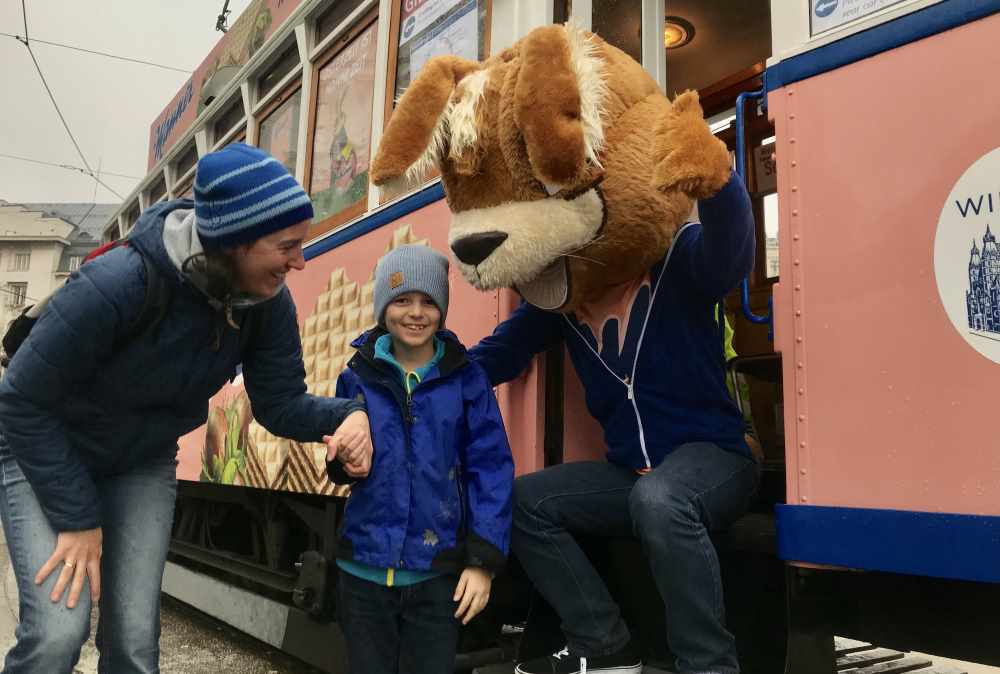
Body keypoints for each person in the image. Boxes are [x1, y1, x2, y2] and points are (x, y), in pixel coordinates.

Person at [0, 143, 373, 674]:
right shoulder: (120, 282)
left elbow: (280, 403)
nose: (300, 260)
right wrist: (78, 518)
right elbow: (20, 398)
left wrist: (348, 415)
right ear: (235, 241)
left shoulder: (266, 304)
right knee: (59, 632)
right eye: (287, 245)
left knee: (134, 642)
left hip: (140, 461)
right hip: (48, 451)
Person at [469, 171, 761, 674]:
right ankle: (604, 646)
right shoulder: (564, 296)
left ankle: (709, 665)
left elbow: (731, 254)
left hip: (716, 455)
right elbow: (500, 352)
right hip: (632, 471)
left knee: (661, 500)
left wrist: (719, 176)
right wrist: (413, 383)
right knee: (523, 502)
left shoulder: (678, 255)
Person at [328, 245, 514, 674]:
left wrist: (482, 562)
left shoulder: (467, 379)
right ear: (382, 306)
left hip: (436, 575)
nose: (416, 312)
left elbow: (491, 468)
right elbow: (341, 465)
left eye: (429, 301)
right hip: (362, 571)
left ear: (442, 310)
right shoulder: (356, 376)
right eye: (402, 299)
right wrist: (342, 463)